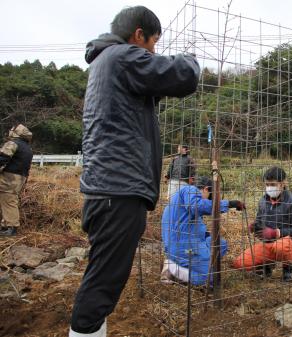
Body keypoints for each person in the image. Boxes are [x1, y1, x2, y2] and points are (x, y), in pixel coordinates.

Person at [71, 6, 200, 337]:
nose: (154, 51)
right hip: (119, 189)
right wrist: (190, 58)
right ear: (138, 35)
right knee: (104, 282)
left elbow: (149, 88)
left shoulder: (106, 62)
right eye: (153, 42)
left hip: (109, 187)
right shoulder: (121, 56)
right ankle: (84, 331)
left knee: (104, 274)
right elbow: (183, 75)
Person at [161, 176, 245, 285]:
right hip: (184, 248)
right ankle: (173, 270)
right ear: (206, 189)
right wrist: (228, 203)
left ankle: (194, 265)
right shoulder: (190, 190)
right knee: (212, 278)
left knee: (220, 243)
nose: (209, 201)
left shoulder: (183, 198)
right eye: (210, 197)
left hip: (186, 244)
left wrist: (206, 235)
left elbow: (190, 228)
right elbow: (198, 206)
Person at [232, 166, 292, 282]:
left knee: (281, 247)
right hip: (267, 244)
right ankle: (266, 265)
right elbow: (259, 220)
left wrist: (277, 233)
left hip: (286, 243)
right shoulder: (263, 201)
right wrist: (254, 225)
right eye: (267, 184)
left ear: (283, 183)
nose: (269, 188)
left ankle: (288, 268)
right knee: (240, 263)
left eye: (273, 184)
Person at [0, 125, 33, 237]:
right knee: (10, 200)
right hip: (20, 177)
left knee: (8, 201)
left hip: (9, 177)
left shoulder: (13, 143)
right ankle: (6, 225)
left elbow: (3, 158)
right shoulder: (27, 148)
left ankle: (11, 227)